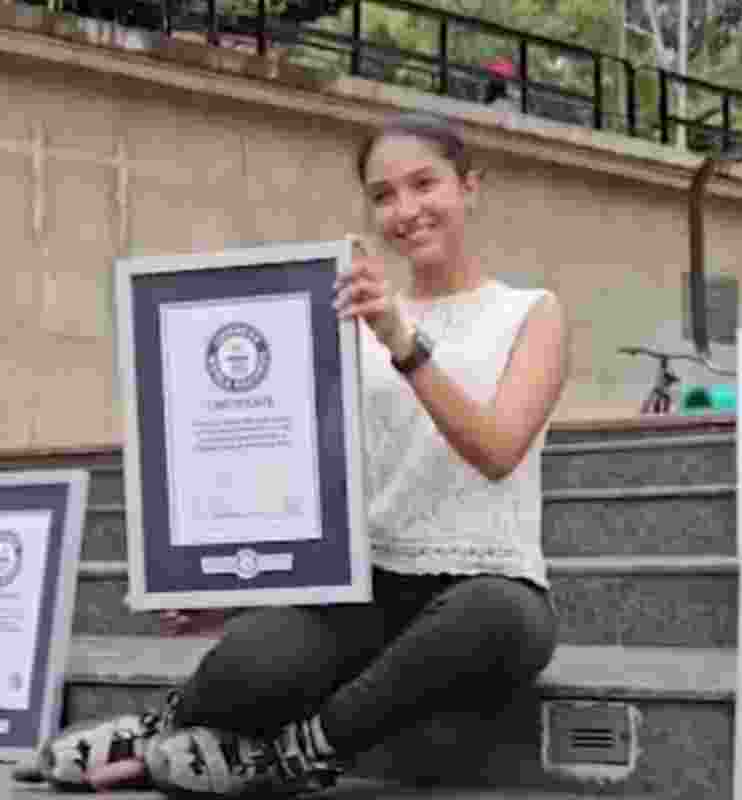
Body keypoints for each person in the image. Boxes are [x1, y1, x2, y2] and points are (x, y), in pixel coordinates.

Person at [27, 111, 571, 796]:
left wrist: (403, 343)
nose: (405, 210)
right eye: (383, 195)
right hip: (365, 584)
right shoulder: (356, 317)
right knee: (256, 659)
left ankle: (291, 757)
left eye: (424, 184)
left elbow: (497, 449)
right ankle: (160, 733)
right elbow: (311, 473)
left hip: (490, 586)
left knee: (492, 622)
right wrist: (229, 582)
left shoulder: (530, 312)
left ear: (470, 186)